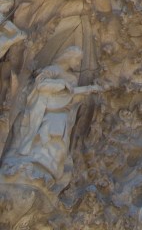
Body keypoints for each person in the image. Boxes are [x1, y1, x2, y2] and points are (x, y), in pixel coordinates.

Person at [8, 46, 100, 185]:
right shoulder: (54, 69)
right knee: (47, 129)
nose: (78, 64)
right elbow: (40, 84)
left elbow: (69, 96)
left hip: (61, 112)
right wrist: (61, 84)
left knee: (58, 135)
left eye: (80, 61)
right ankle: (32, 157)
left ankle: (49, 165)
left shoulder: (72, 78)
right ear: (68, 57)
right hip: (44, 107)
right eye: (77, 59)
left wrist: (87, 91)